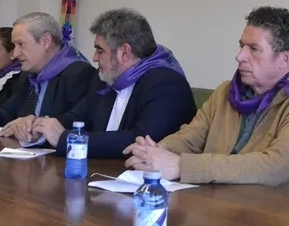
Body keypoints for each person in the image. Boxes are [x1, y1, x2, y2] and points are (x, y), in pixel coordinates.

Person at [123, 6, 289, 196]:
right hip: (223, 205)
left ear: (285, 58)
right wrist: (156, 151)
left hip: (288, 217)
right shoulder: (226, 92)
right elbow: (191, 138)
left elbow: (273, 167)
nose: (239, 56)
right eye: (241, 46)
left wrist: (181, 166)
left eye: (254, 49)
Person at [30, 8, 197, 158]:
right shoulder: (105, 77)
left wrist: (68, 139)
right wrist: (41, 127)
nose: (94, 57)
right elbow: (79, 116)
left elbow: (139, 140)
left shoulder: (165, 83)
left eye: (100, 50)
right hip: (103, 171)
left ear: (124, 52)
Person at [0, 12, 94, 141]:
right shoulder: (28, 74)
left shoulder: (79, 73)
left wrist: (33, 125)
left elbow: (77, 124)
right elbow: (6, 114)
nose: (15, 54)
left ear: (45, 41)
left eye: (20, 44)